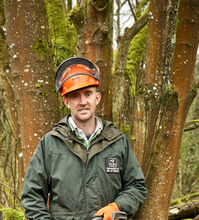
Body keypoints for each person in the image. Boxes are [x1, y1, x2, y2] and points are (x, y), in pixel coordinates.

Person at [21, 57, 147, 220]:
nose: (82, 102)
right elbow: (32, 197)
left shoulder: (117, 141)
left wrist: (118, 206)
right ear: (66, 101)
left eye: (88, 94)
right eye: (75, 96)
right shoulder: (50, 144)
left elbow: (136, 186)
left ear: (97, 97)